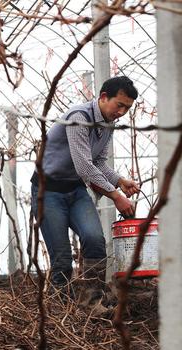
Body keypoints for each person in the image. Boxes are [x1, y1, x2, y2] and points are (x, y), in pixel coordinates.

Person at [31, 76, 140, 306]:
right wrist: (115, 195)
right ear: (103, 97)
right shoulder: (79, 118)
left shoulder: (108, 124)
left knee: (94, 240)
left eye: (127, 108)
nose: (121, 112)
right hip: (47, 191)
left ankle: (92, 301)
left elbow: (98, 163)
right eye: (119, 105)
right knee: (61, 259)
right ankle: (58, 311)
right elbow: (84, 166)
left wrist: (119, 180)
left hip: (75, 189)